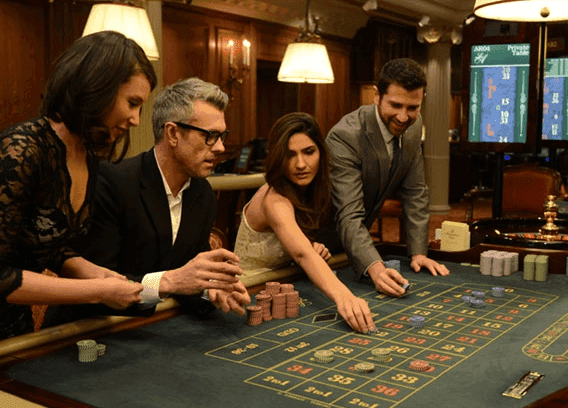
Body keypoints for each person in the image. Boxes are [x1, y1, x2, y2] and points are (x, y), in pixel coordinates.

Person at [43, 77, 250, 327]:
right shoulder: (111, 182)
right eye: (211, 136)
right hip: (85, 334)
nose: (220, 147)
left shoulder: (202, 194)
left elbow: (188, 278)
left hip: (152, 330)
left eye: (222, 136)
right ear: (173, 133)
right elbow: (95, 289)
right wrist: (170, 281)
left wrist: (211, 289)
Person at [0, 31, 156, 340]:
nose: (136, 119)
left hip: (14, 329)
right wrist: (95, 290)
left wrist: (89, 270)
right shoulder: (20, 150)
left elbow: (49, 243)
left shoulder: (88, 155)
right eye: (132, 103)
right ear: (98, 87)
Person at [233, 112, 374, 333]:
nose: (301, 164)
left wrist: (310, 247)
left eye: (309, 152)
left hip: (284, 287)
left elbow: (298, 249)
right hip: (247, 296)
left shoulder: (307, 192)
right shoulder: (273, 199)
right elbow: (301, 254)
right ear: (278, 158)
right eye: (290, 155)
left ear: (321, 152)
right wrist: (345, 297)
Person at [326, 58, 449, 297]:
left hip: (358, 245)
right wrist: (375, 267)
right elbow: (349, 214)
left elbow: (415, 192)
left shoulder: (413, 127)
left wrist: (418, 252)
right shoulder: (345, 136)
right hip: (320, 242)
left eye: (412, 108)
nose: (403, 117)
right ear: (376, 96)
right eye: (395, 105)